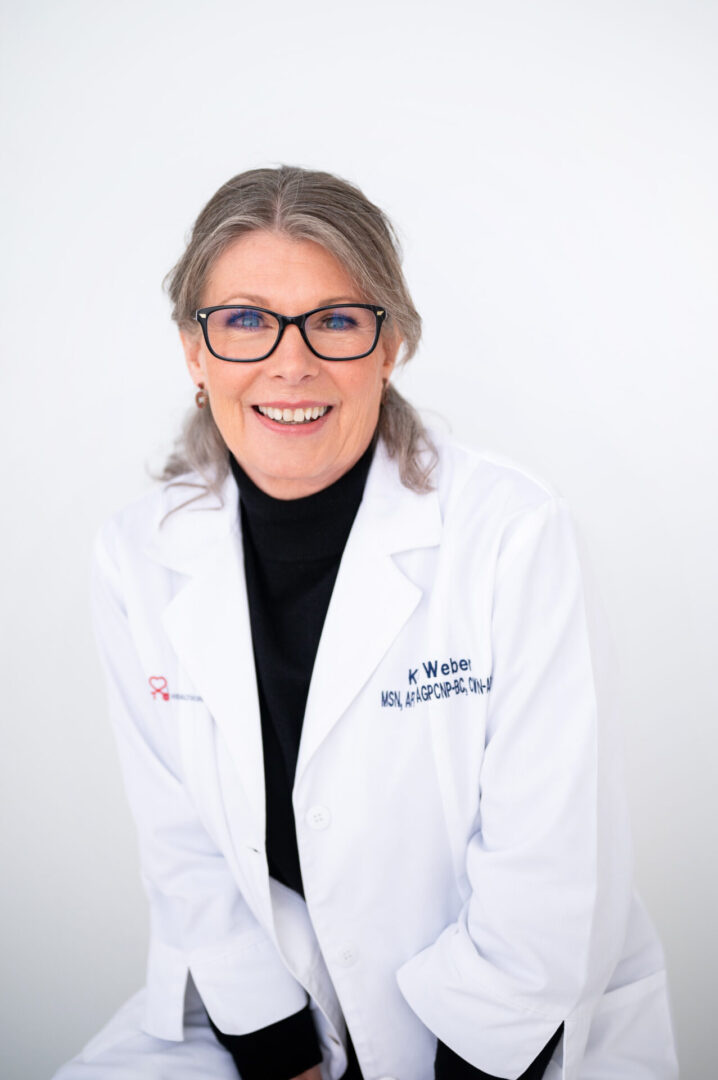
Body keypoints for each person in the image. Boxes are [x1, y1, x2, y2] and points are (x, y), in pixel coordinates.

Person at [53, 165, 679, 1080]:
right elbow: (183, 850)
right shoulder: (138, 556)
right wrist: (279, 1054)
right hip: (271, 1007)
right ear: (195, 351)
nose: (290, 361)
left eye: (337, 320)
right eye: (245, 319)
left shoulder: (512, 536)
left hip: (500, 1029)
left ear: (391, 347)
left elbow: (550, 872)